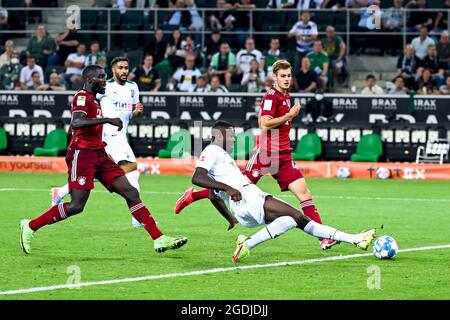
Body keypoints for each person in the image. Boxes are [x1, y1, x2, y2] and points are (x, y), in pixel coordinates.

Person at [20, 64, 188, 255]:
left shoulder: (94, 99)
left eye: (105, 76)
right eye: (101, 77)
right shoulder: (82, 97)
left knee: (131, 192)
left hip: (100, 154)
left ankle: (159, 238)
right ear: (89, 79)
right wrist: (106, 120)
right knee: (76, 206)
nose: (104, 81)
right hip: (83, 156)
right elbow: (76, 122)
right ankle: (31, 226)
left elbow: (72, 127)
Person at [175, 60, 338, 251]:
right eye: (282, 76)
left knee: (304, 194)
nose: (286, 79)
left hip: (284, 156)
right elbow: (264, 123)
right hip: (266, 155)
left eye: (289, 76)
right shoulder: (271, 97)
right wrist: (289, 116)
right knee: (241, 188)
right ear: (275, 77)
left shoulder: (286, 95)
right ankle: (195, 195)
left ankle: (324, 237)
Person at [191, 120, 376, 263]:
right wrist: (228, 188)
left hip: (243, 206)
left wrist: (230, 218)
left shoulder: (221, 156)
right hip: (248, 198)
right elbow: (197, 177)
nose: (234, 139)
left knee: (290, 220)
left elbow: (211, 195)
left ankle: (246, 244)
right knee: (300, 218)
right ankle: (355, 239)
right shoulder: (213, 150)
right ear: (221, 135)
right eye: (231, 135)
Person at [51, 57, 146, 228]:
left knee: (106, 172)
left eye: (126, 67)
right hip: (108, 135)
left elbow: (132, 113)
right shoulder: (104, 86)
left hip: (120, 134)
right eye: (120, 68)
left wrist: (137, 111)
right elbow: (87, 104)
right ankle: (137, 217)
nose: (124, 71)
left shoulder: (133, 87)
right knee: (132, 170)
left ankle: (62, 191)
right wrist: (106, 120)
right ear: (113, 70)